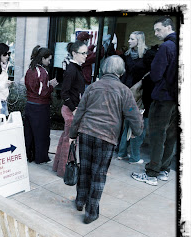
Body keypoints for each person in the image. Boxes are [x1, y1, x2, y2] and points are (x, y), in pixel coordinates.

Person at [69, 55, 143, 224]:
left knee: (85, 169)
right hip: (107, 137)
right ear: (121, 71)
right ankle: (91, 212)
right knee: (98, 174)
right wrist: (138, 131)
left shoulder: (93, 87)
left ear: (103, 69)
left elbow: (80, 112)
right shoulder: (125, 91)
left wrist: (73, 134)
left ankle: (80, 201)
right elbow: (133, 114)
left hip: (87, 132)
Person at [131, 17, 178, 186]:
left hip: (164, 96)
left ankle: (151, 174)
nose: (156, 33)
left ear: (168, 27)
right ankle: (164, 170)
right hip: (176, 99)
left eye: (158, 29)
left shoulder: (166, 46)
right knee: (171, 136)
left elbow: (156, 73)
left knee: (158, 135)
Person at [117, 31, 152, 164]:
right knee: (129, 122)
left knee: (134, 123)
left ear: (139, 40)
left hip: (140, 95)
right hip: (127, 92)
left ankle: (126, 153)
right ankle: (125, 154)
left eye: (132, 39)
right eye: (129, 38)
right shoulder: (127, 56)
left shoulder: (147, 56)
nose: (129, 41)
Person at [52, 41, 87, 176]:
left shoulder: (76, 68)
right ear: (74, 53)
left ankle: (59, 167)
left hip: (72, 108)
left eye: (86, 53)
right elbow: (64, 92)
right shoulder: (72, 69)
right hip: (70, 109)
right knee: (69, 141)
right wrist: (73, 109)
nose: (85, 56)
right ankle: (64, 171)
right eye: (83, 53)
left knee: (66, 139)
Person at [24, 45, 58, 164]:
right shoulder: (42, 71)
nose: (49, 62)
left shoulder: (30, 69)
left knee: (29, 133)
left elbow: (34, 88)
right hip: (40, 107)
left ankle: (29, 155)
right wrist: (52, 85)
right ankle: (40, 157)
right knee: (41, 134)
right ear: (43, 58)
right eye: (48, 59)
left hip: (30, 104)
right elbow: (43, 92)